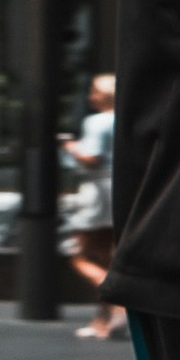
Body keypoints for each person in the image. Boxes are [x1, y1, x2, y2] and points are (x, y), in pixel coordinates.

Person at [63, 73, 124, 339]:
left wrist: (70, 147)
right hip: (120, 189)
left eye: (93, 92)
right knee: (107, 257)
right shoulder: (124, 119)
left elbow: (92, 160)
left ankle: (120, 301)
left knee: (82, 257)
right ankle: (103, 322)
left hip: (98, 191)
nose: (90, 97)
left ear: (104, 95)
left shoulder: (96, 122)